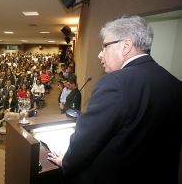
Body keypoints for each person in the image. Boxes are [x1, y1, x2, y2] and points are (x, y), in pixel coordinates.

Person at [47, 15, 182, 184]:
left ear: (125, 46)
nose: (99, 54)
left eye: (104, 46)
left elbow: (87, 140)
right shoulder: (175, 84)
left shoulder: (114, 82)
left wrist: (66, 161)